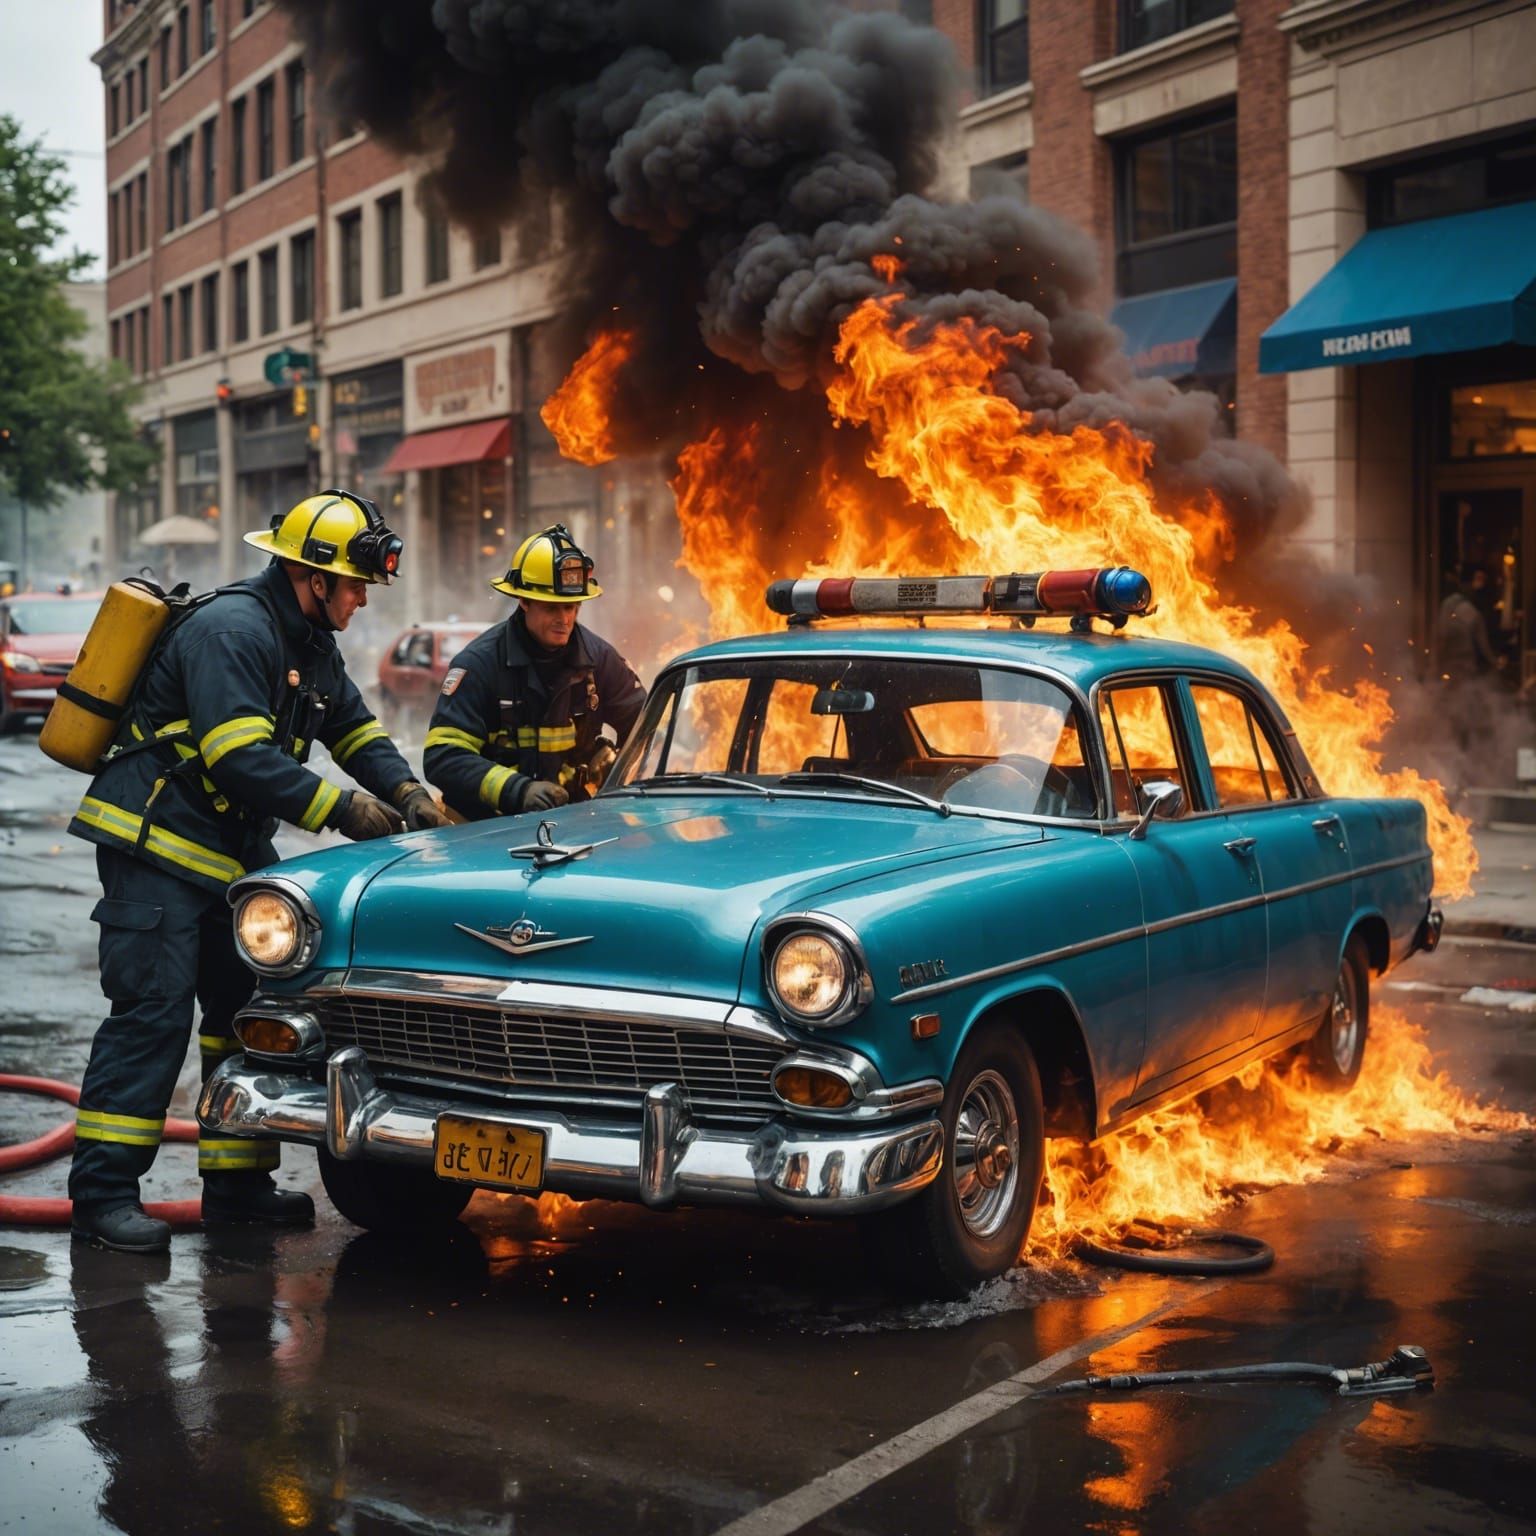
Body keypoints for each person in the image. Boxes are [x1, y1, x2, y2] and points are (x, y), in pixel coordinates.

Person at [67, 489, 452, 1254]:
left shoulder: (309, 642)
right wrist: (342, 811)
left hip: (225, 855)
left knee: (247, 1013)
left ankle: (236, 1186)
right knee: (153, 1014)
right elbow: (236, 755)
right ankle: (103, 1195)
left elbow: (353, 727)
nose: (360, 600)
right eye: (352, 586)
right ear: (311, 577)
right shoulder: (231, 630)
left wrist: (406, 791)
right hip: (157, 846)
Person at [424, 524, 645, 820]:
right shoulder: (480, 664)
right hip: (483, 827)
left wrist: (617, 769)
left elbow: (646, 725)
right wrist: (517, 790)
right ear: (524, 600)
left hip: (570, 822)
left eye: (572, 607)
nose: (564, 619)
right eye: (552, 607)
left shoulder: (599, 659)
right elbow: (442, 757)